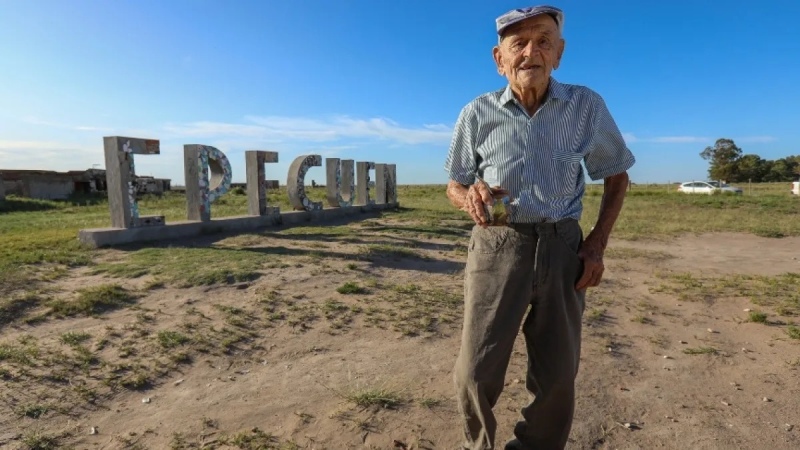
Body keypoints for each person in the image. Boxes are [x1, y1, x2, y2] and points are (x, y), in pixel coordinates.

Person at [444, 5, 635, 450]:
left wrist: (596, 245)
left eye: (544, 41)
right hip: (497, 245)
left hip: (562, 244)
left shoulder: (586, 106)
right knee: (475, 369)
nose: (532, 51)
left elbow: (616, 175)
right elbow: (454, 183)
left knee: (557, 374)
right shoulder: (476, 113)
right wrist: (467, 194)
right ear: (499, 58)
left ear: (559, 53)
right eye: (519, 43)